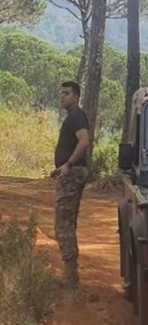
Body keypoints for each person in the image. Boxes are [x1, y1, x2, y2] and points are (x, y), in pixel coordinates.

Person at [53, 81, 91, 290]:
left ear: (76, 97)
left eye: (66, 93)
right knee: (68, 221)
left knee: (63, 223)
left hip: (72, 174)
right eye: (61, 93)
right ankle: (71, 273)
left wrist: (68, 165)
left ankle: (70, 276)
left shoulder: (76, 115)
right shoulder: (73, 116)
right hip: (72, 172)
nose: (62, 96)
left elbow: (84, 141)